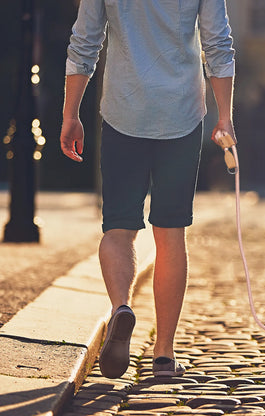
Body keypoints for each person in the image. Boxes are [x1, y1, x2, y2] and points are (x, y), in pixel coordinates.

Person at [60, 0, 235, 379]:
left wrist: (71, 114)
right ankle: (164, 354)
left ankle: (121, 306)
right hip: (183, 115)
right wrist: (225, 117)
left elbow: (85, 41)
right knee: (170, 233)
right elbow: (217, 43)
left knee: (118, 227)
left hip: (124, 112)